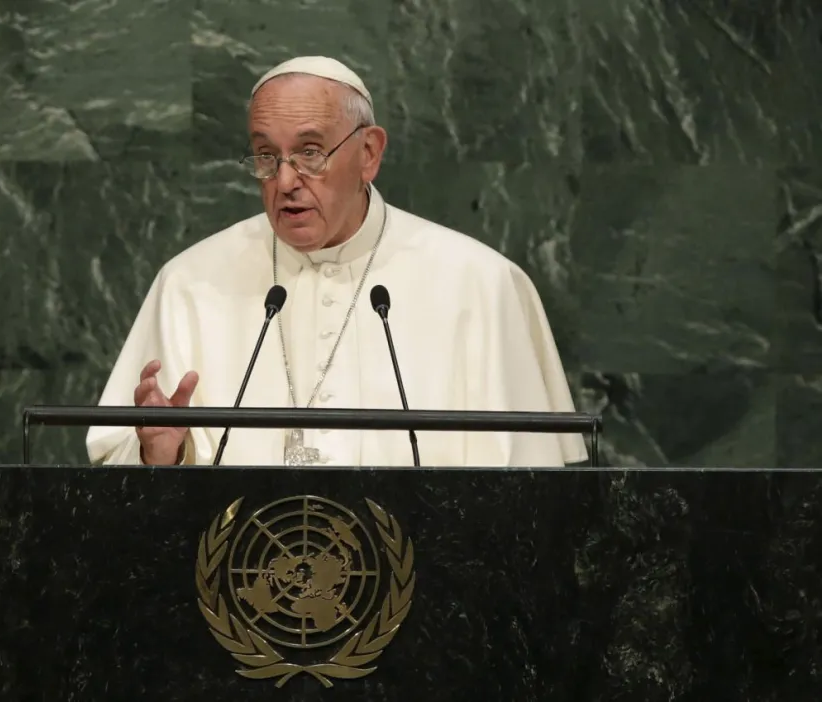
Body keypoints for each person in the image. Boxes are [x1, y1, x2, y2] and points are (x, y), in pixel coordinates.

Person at [86, 56, 587, 468]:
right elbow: (119, 479)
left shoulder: (481, 283)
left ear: (369, 152)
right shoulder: (190, 282)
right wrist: (160, 451)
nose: (285, 181)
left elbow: (534, 495)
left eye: (310, 152)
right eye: (266, 156)